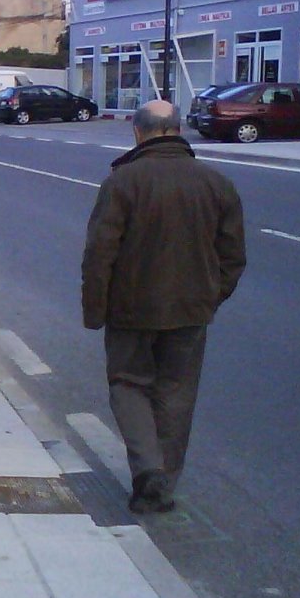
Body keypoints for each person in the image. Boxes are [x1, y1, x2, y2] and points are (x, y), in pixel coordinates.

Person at [81, 100, 246, 513]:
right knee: (176, 392)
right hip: (190, 310)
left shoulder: (122, 182)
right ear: (178, 130)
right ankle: (163, 486)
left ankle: (147, 468)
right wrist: (210, 296)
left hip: (130, 309)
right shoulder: (217, 183)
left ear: (137, 132)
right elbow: (232, 256)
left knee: (128, 383)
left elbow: (100, 254)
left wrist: (95, 310)